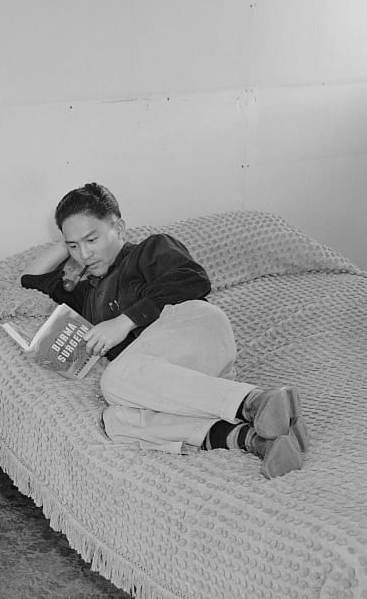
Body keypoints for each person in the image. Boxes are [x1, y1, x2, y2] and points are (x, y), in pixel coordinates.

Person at [20, 182, 309, 478]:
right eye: (73, 246)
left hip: (197, 329)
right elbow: (31, 278)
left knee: (115, 380)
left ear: (119, 229)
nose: (84, 254)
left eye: (92, 239)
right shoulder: (88, 293)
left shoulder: (150, 250)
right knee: (116, 420)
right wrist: (68, 232)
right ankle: (254, 438)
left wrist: (123, 322)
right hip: (177, 382)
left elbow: (193, 280)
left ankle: (255, 401)